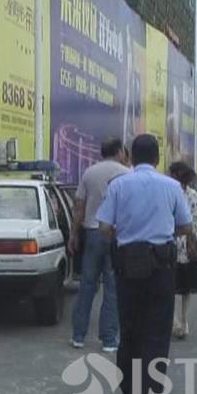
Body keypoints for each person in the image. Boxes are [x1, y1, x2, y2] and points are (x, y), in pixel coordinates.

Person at [96, 134, 193, 394]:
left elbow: (104, 228)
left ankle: (129, 391)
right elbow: (186, 226)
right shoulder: (172, 186)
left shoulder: (118, 185)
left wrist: (125, 235)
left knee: (129, 329)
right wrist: (164, 230)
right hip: (161, 269)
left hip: (127, 267)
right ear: (158, 158)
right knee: (156, 335)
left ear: (130, 157)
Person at [69, 137, 129, 352]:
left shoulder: (89, 173)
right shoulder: (127, 174)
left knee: (87, 285)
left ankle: (78, 336)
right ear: (120, 151)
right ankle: (109, 339)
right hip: (117, 235)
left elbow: (79, 207)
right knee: (113, 289)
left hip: (92, 233)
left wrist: (74, 234)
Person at [169, 162, 197, 340]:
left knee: (169, 286)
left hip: (173, 245)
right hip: (191, 247)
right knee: (187, 289)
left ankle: (173, 322)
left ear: (175, 175)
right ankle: (184, 321)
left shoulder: (171, 194)